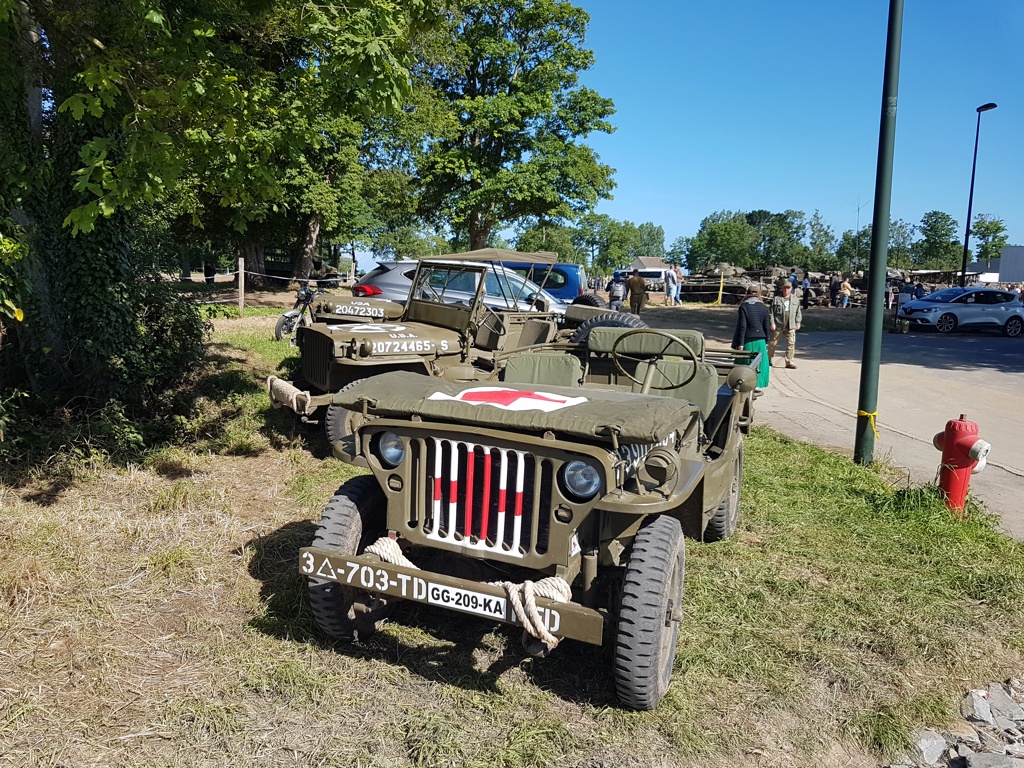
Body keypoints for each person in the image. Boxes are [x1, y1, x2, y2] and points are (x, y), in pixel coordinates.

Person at [732, 285, 772, 389]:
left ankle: (746, 385)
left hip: (747, 340)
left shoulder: (744, 306)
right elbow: (767, 326)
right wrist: (767, 341)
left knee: (745, 363)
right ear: (759, 294)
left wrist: (740, 343)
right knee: (760, 364)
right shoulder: (763, 307)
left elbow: (742, 326)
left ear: (747, 294)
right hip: (761, 340)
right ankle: (757, 384)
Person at [768, 278, 802, 369]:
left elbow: (798, 312)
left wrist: (798, 322)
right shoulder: (777, 299)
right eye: (785, 288)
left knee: (791, 343)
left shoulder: (795, 299)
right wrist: (772, 323)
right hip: (778, 324)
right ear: (782, 289)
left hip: (791, 325)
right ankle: (768, 359)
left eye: (788, 288)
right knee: (773, 343)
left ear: (791, 289)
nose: (786, 290)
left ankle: (789, 362)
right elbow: (771, 312)